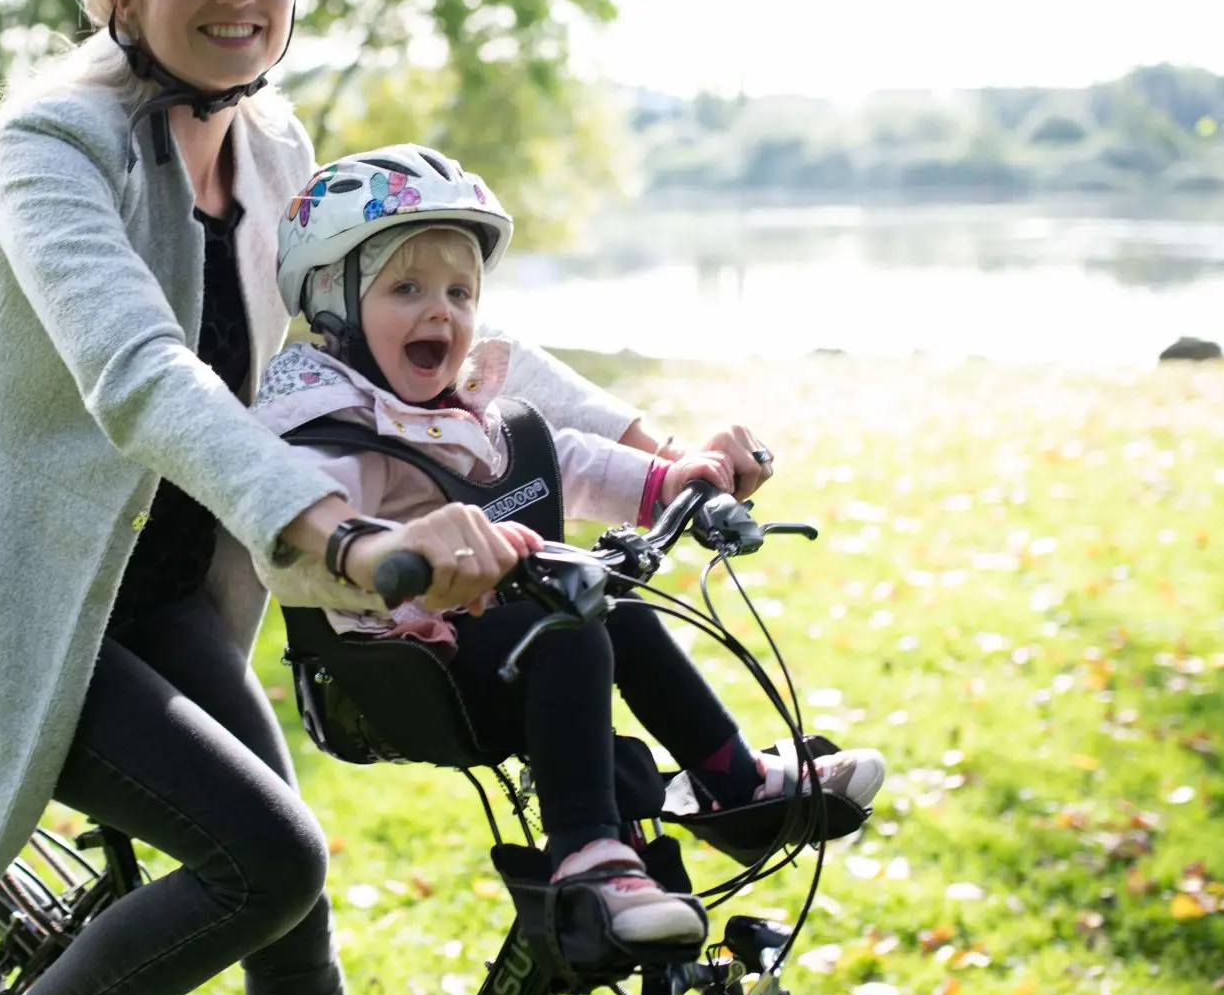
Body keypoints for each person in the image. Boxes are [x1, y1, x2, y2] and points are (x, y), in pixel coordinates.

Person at [0, 0, 705, 995]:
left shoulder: (278, 151)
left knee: (296, 901)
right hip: (12, 594)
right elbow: (141, 373)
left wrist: (645, 445)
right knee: (263, 858)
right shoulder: (50, 147)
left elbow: (408, 330)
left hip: (171, 585)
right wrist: (343, 530)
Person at [254, 144, 888, 944]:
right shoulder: (327, 424)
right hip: (408, 663)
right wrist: (400, 547)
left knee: (613, 601)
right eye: (405, 289)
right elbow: (311, 519)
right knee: (569, 629)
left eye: (459, 290)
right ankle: (587, 850)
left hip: (494, 633)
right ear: (332, 309)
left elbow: (565, 457)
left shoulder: (458, 404)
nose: (440, 312)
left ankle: (730, 778)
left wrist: (666, 481)